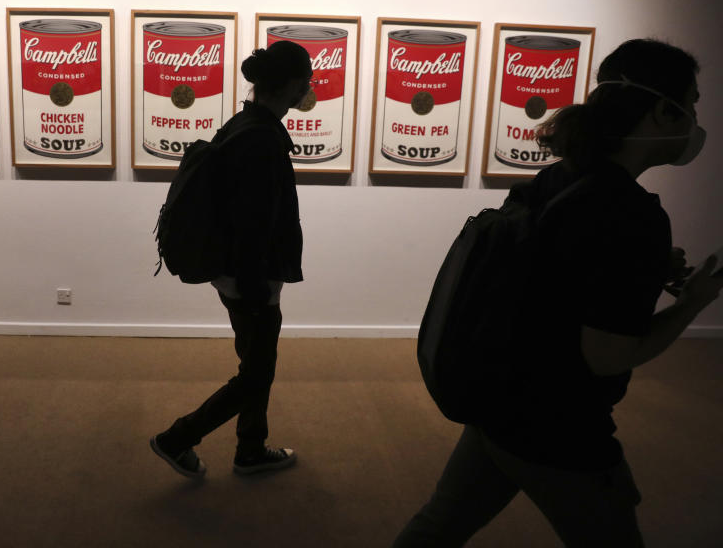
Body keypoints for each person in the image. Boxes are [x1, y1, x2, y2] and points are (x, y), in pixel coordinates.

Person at [394, 39, 722, 547]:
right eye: (692, 101)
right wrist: (693, 302)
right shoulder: (632, 215)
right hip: (558, 428)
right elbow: (609, 356)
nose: (696, 118)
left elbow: (554, 281)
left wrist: (644, 275)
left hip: (499, 398)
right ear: (662, 110)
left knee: (437, 528)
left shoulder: (557, 178)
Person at [151, 40, 313, 479]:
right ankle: (178, 438)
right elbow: (253, 222)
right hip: (249, 278)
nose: (310, 88)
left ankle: (251, 449)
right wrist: (257, 286)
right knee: (257, 375)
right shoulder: (261, 139)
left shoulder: (246, 123)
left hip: (235, 274)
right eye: (308, 80)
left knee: (256, 365)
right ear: (294, 85)